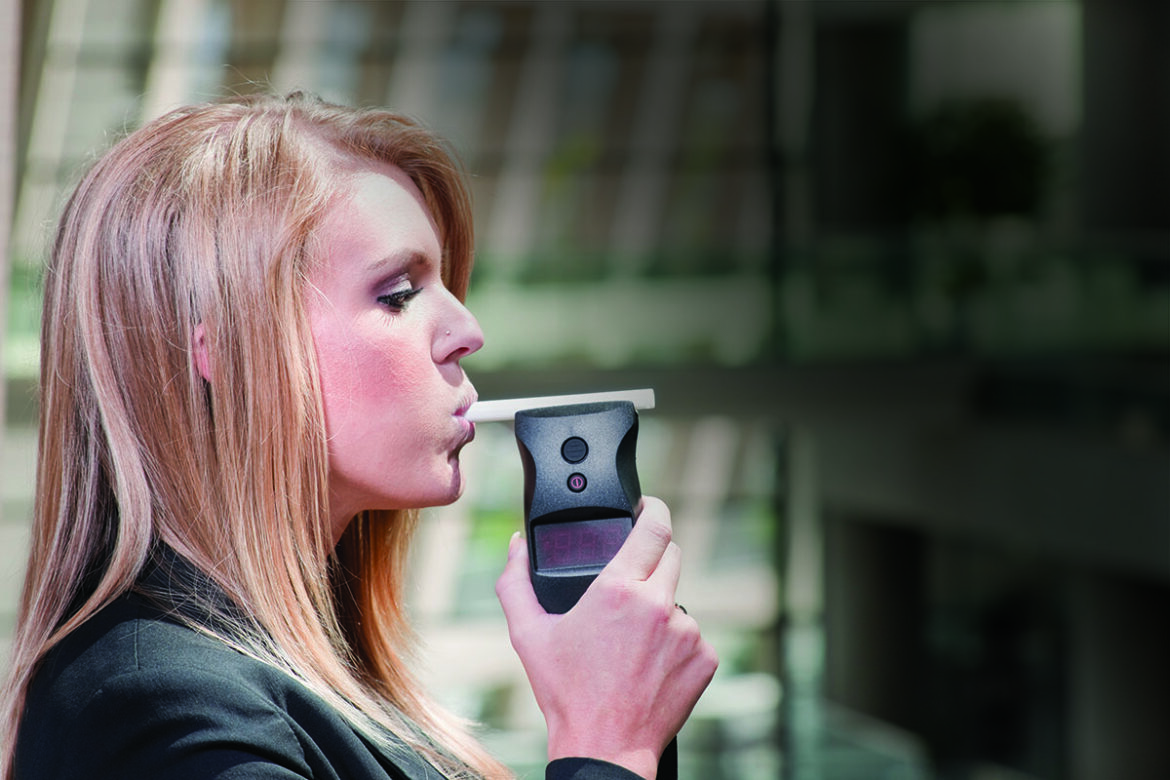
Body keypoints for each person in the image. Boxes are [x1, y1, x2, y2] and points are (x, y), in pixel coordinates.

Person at [0, 92, 717, 779]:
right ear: (223, 348)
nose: (468, 332)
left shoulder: (296, 684)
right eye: (399, 293)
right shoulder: (160, 708)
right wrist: (605, 744)